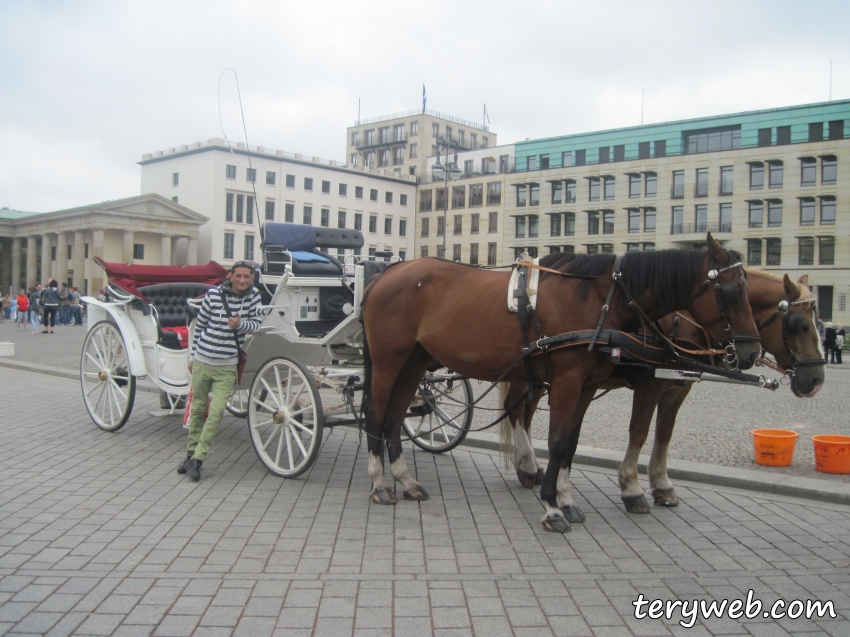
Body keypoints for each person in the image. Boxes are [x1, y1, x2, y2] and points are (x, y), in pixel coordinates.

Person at [179, 261, 261, 481]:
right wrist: (193, 356)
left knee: (215, 414)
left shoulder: (254, 297)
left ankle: (198, 459)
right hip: (203, 361)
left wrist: (240, 326)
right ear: (230, 276)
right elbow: (199, 326)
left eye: (247, 276)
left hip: (227, 365)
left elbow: (257, 324)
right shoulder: (213, 295)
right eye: (239, 276)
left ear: (252, 279)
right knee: (197, 411)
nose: (243, 280)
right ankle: (189, 455)